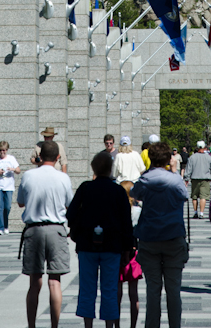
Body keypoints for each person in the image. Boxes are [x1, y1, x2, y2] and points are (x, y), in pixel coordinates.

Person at [67, 151, 134, 328]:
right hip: (112, 247)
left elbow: (70, 213)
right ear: (110, 169)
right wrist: (128, 248)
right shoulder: (118, 191)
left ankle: (88, 325)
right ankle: (109, 325)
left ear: (94, 168)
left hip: (87, 245)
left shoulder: (85, 188)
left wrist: (77, 232)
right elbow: (127, 223)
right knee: (110, 290)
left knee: (87, 289)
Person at [131, 141, 189, 328]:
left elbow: (134, 194)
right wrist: (173, 170)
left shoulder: (144, 180)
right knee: (173, 291)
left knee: (152, 291)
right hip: (173, 237)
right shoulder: (175, 180)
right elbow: (184, 196)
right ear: (167, 158)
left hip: (149, 239)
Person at [17, 139, 74, 328]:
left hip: (33, 230)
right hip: (56, 229)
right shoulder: (63, 178)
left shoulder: (28, 176)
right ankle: (54, 326)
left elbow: (21, 202)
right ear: (58, 157)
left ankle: (31, 325)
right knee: (55, 282)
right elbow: (69, 205)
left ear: (39, 156)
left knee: (34, 283)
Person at [118, 180, 142, 328]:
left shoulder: (116, 211)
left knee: (116, 293)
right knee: (134, 293)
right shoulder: (138, 211)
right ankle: (133, 325)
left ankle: (116, 324)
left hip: (119, 252)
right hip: (135, 252)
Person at [0, 140, 21, 234]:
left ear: (7, 150)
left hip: (9, 185)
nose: (2, 152)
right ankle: (0, 228)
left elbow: (18, 170)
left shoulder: (11, 159)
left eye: (4, 150)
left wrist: (13, 169)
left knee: (7, 207)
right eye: (1, 150)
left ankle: (5, 225)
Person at [185, 140, 211, 219]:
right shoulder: (208, 157)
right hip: (205, 179)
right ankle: (201, 213)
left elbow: (188, 169)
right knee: (203, 197)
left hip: (195, 178)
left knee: (194, 196)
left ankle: (195, 212)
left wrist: (186, 178)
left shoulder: (192, 157)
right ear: (204, 147)